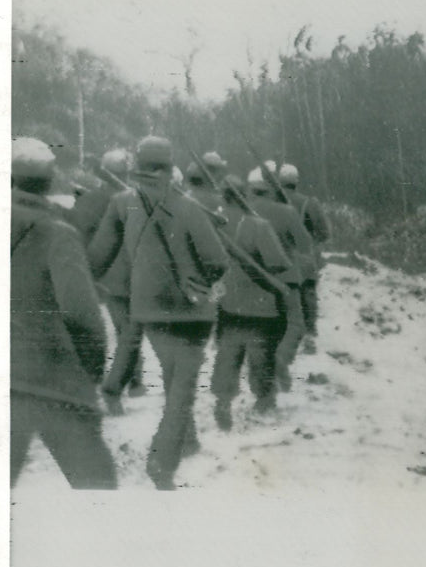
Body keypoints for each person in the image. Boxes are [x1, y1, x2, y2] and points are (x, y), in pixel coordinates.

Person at [88, 136, 228, 490]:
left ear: (137, 164)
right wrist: (198, 281)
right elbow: (217, 261)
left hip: (147, 309)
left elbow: (97, 259)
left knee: (173, 373)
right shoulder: (190, 206)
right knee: (182, 387)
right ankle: (162, 463)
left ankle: (188, 440)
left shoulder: (121, 203)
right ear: (169, 165)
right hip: (191, 311)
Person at [10, 138, 117, 489]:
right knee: (98, 485)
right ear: (50, 180)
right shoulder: (57, 233)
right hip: (51, 377)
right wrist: (90, 372)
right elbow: (82, 316)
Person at [210, 175, 293, 430]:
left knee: (228, 353)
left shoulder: (212, 224)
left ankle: (223, 400)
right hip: (261, 301)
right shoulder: (258, 225)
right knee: (261, 354)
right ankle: (263, 399)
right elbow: (278, 263)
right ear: (244, 195)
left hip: (227, 302)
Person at [69, 148, 146, 405]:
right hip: (136, 272)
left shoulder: (92, 199)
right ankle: (131, 380)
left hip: (108, 273)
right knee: (131, 329)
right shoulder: (138, 198)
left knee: (125, 328)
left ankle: (131, 379)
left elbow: (79, 234)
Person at [247, 163, 314, 390]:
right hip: (286, 278)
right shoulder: (286, 211)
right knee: (296, 324)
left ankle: (265, 380)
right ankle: (281, 360)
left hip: (256, 279)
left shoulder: (246, 211)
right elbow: (305, 244)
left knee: (263, 329)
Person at [279, 163, 331, 351]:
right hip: (303, 257)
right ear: (296, 182)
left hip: (278, 257)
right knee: (307, 292)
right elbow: (324, 233)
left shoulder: (271, 203)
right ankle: (309, 335)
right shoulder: (309, 203)